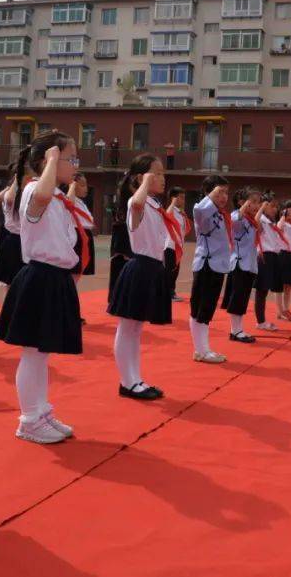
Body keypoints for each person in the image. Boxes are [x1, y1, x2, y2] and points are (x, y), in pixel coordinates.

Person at [0, 131, 83, 444]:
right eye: (70, 158)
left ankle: (42, 411)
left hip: (54, 277)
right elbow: (42, 197)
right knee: (32, 353)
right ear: (50, 160)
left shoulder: (57, 197)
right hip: (39, 277)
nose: (75, 165)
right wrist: (53, 159)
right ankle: (29, 419)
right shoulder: (35, 190)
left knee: (42, 353)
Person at [107, 154, 181, 400]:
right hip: (139, 267)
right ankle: (127, 382)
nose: (162, 178)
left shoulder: (153, 203)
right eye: (156, 173)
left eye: (162, 173)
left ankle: (135, 379)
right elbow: (135, 205)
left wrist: (146, 185)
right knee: (127, 327)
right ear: (141, 177)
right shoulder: (136, 202)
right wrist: (144, 184)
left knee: (136, 330)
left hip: (152, 268)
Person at [187, 175, 232, 365]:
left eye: (226, 193)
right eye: (219, 191)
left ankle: (202, 349)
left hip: (217, 265)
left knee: (206, 309)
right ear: (208, 192)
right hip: (207, 264)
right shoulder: (202, 209)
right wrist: (211, 196)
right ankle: (202, 350)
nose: (224, 197)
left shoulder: (220, 215)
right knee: (201, 308)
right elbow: (199, 210)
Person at [222, 185, 263, 343]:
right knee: (237, 297)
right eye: (252, 202)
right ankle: (235, 330)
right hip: (239, 264)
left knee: (243, 297)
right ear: (241, 202)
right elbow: (235, 220)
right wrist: (244, 207)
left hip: (250, 264)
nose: (256, 205)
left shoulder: (252, 221)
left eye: (258, 202)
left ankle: (238, 329)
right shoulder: (236, 216)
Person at [253, 192, 285, 332]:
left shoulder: (271, 222)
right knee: (261, 291)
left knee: (265, 291)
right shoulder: (261, 220)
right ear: (263, 206)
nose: (275, 209)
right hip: (264, 256)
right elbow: (255, 221)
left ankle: (262, 320)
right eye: (271, 206)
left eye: (276, 206)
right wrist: (261, 208)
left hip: (273, 256)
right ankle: (260, 321)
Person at [0, 174, 24, 286]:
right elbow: (3, 197)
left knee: (21, 279)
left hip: (24, 240)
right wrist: (16, 182)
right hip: (14, 239)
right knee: (11, 279)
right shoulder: (11, 198)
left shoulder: (24, 196)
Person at [65, 174, 95, 302]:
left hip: (85, 236)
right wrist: (71, 186)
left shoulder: (81, 201)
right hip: (77, 236)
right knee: (73, 276)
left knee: (76, 277)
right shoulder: (69, 198)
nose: (86, 188)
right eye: (82, 185)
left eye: (86, 184)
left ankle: (71, 309)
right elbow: (69, 205)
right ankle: (69, 309)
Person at [164, 186, 189, 302]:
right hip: (170, 246)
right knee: (169, 271)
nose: (183, 200)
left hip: (178, 247)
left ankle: (171, 292)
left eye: (184, 198)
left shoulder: (181, 213)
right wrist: (173, 203)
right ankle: (168, 293)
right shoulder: (171, 210)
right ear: (173, 198)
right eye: (180, 198)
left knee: (175, 271)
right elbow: (167, 215)